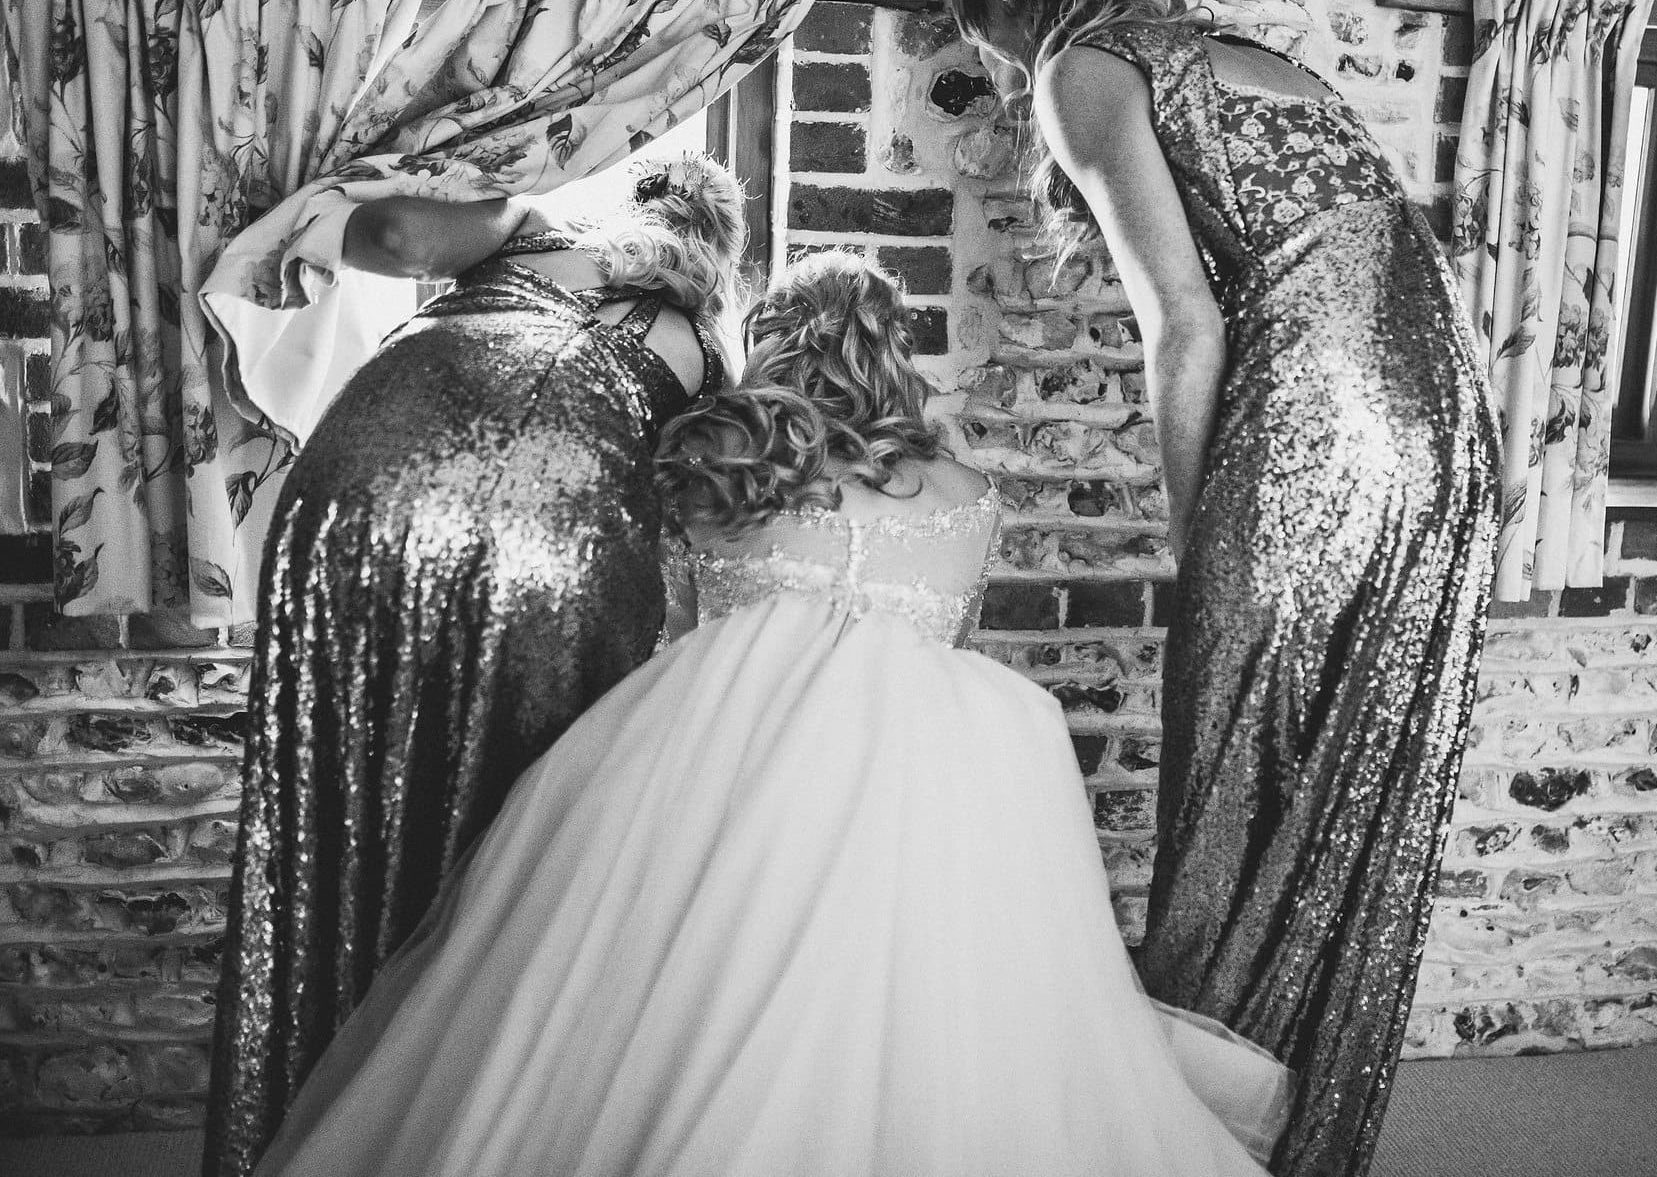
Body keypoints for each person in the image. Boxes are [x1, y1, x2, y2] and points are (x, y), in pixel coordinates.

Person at [240, 253, 1293, 1177]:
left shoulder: (722, 470)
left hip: (719, 757)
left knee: (640, 990)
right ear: (890, 349)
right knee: (936, 993)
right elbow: (948, 644)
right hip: (923, 775)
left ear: (771, 345)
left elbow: (677, 629)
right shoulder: (968, 493)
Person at [951, 0, 1501, 1177]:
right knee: (1354, 763)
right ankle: (1290, 1102)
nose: (992, 61)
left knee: (1239, 748)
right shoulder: (1265, 60)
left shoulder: (1084, 67)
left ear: (1020, 6)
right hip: (1440, 418)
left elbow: (1184, 320)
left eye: (984, 34)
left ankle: (1197, 1121)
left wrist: (1201, 527)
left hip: (1316, 416)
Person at [205, 151, 745, 1177]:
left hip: (367, 479)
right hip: (563, 534)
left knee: (341, 798)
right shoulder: (706, 351)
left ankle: (306, 1101)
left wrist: (318, 194)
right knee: (521, 828)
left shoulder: (530, 218)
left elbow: (399, 240)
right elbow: (706, 533)